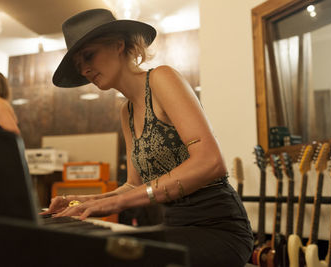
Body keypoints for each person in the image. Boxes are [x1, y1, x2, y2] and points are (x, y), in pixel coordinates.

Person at [43, 9, 253, 266]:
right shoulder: (126, 111)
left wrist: (111, 205)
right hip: (174, 226)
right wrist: (84, 202)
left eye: (89, 55)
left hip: (218, 228)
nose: (85, 69)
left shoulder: (161, 78)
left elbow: (210, 162)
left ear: (119, 45)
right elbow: (133, 185)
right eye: (78, 65)